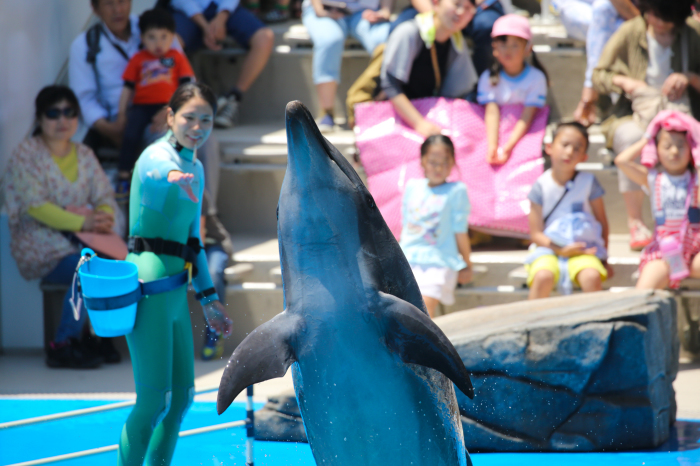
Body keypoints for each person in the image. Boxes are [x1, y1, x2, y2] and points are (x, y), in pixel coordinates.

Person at [118, 82, 232, 465]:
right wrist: (172, 175)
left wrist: (210, 298)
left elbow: (193, 241)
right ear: (170, 117)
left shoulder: (196, 166)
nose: (197, 126)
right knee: (151, 400)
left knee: (183, 397)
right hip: (148, 283)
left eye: (206, 120)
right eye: (189, 118)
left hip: (175, 289)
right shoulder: (156, 155)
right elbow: (155, 171)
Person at [3, 85, 119, 368]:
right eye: (53, 113)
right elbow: (35, 206)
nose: (62, 120)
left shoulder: (84, 153)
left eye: (69, 112)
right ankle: (63, 344)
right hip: (39, 242)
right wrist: (85, 221)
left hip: (82, 242)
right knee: (86, 271)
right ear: (40, 118)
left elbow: (104, 196)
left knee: (108, 269)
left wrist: (103, 215)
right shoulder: (26, 154)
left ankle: (98, 337)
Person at [592, 0, 700, 250]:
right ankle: (635, 220)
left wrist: (689, 78)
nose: (659, 23)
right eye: (655, 16)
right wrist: (626, 83)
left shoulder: (693, 34)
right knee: (630, 138)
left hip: (681, 117)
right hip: (636, 115)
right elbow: (599, 75)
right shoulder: (631, 30)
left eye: (667, 20)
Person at [615, 110, 700, 290]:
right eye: (667, 146)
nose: (675, 151)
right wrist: (648, 138)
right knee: (643, 291)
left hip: (694, 252)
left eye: (681, 145)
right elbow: (622, 161)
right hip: (664, 253)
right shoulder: (653, 178)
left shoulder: (696, 180)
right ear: (656, 149)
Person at [526, 122, 610, 299]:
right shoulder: (540, 185)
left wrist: (604, 257)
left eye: (577, 148)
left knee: (591, 276)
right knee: (543, 277)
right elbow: (536, 234)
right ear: (549, 147)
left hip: (584, 249)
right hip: (548, 248)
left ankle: (597, 323)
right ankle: (531, 323)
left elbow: (602, 222)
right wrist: (561, 250)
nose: (570, 152)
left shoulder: (589, 182)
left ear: (584, 156)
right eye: (565, 145)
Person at [116, 8, 195, 193]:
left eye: (164, 37)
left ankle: (182, 175)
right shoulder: (138, 59)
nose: (158, 43)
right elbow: (127, 88)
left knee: (175, 140)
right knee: (130, 135)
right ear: (142, 38)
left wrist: (172, 108)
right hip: (141, 107)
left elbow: (185, 88)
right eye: (151, 37)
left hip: (168, 107)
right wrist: (121, 114)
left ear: (172, 37)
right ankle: (123, 177)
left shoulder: (177, 58)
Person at [380, 0, 479, 137]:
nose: (461, 12)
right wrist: (419, 123)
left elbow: (459, 92)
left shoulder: (456, 42)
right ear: (436, 3)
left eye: (468, 8)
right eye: (457, 4)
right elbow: (389, 84)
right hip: (395, 117)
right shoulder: (409, 32)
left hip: (430, 116)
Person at [399, 135, 473, 318]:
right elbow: (405, 227)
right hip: (407, 260)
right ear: (422, 161)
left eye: (445, 162)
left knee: (423, 310)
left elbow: (460, 231)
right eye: (433, 162)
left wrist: (466, 264)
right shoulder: (412, 187)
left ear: (453, 162)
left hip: (439, 262)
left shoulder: (457, 190)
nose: (439, 168)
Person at [170, 0, 275, 128]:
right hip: (187, 12)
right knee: (170, 43)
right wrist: (205, 26)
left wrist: (221, 17)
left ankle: (233, 98)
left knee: (265, 37)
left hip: (225, 9)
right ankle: (202, 99)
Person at [303, 0, 393, 131]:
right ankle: (327, 112)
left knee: (389, 42)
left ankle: (384, 106)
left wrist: (385, 11)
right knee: (330, 40)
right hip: (326, 8)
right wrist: (320, 9)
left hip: (365, 11)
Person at [551, 0, 640, 126]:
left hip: (623, 15)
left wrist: (644, 23)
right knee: (604, 12)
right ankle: (595, 86)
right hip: (580, 8)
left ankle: (590, 92)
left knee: (610, 19)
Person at [477, 14, 549, 165]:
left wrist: (508, 147)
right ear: (495, 48)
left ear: (528, 48)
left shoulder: (536, 78)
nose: (508, 50)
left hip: (523, 132)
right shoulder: (487, 77)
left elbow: (527, 117)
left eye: (515, 45)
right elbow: (491, 112)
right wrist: (493, 146)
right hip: (494, 132)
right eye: (503, 44)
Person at [390, 0, 505, 78]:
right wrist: (439, 16)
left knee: (487, 28)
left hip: (476, 7)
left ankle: (483, 88)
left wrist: (466, 9)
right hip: (441, 8)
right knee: (398, 28)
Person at [200, 190, 234, 360]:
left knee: (212, 274)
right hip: (185, 249)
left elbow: (198, 238)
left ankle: (214, 335)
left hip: (213, 245)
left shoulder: (192, 183)